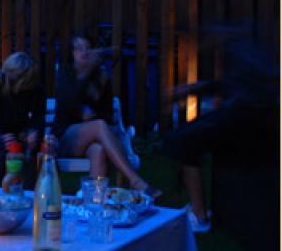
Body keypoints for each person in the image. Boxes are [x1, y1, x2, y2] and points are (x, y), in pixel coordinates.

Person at [162, 33, 279, 232]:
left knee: (184, 141)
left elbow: (244, 93)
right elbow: (231, 87)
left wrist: (195, 88)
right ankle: (198, 206)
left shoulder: (242, 53)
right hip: (242, 116)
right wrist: (194, 88)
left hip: (248, 122)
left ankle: (200, 217)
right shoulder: (243, 51)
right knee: (181, 136)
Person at [53, 32, 158, 197]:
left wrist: (93, 114)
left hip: (94, 139)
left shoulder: (100, 77)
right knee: (99, 126)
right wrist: (86, 71)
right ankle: (135, 181)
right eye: (79, 48)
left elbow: (106, 113)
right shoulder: (66, 74)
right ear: (71, 53)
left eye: (87, 48)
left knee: (99, 150)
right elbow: (67, 103)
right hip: (66, 139)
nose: (84, 52)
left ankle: (95, 202)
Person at [0, 52, 46, 187]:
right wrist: (2, 139)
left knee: (32, 156)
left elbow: (38, 120)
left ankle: (29, 195)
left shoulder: (36, 91)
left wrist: (33, 133)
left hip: (22, 139)